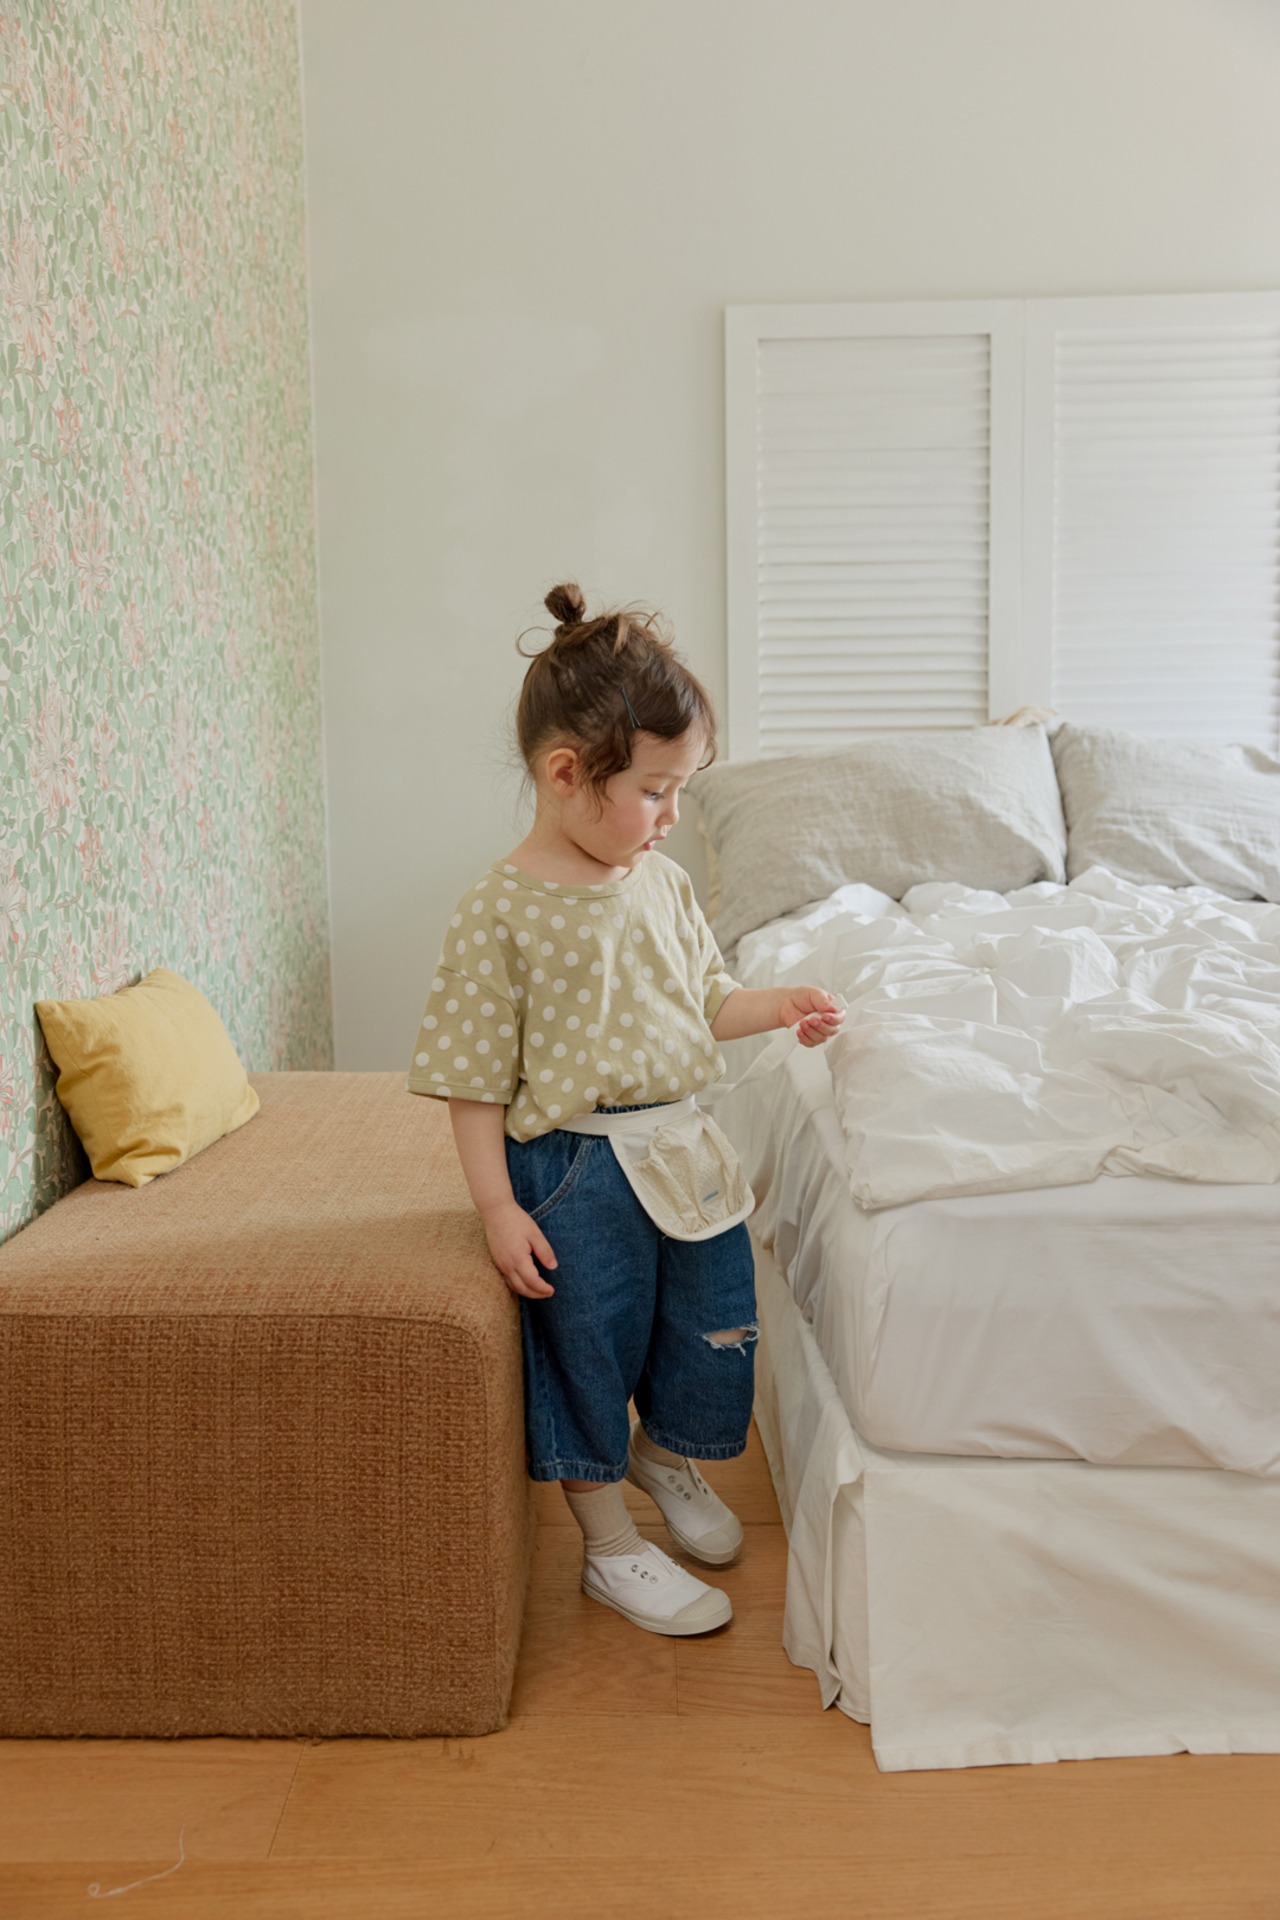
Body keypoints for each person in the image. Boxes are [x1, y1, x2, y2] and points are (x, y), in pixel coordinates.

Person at [407, 583, 844, 1637]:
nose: (672, 816)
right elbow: (473, 1082)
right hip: (575, 1170)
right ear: (567, 773)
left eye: (681, 790)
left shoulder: (662, 883)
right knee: (587, 1352)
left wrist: (778, 1006)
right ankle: (608, 1547)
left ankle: (666, 1456)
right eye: (654, 790)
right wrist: (498, 1210)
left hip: (681, 1147)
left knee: (712, 1326)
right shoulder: (499, 912)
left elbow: (704, 1002)